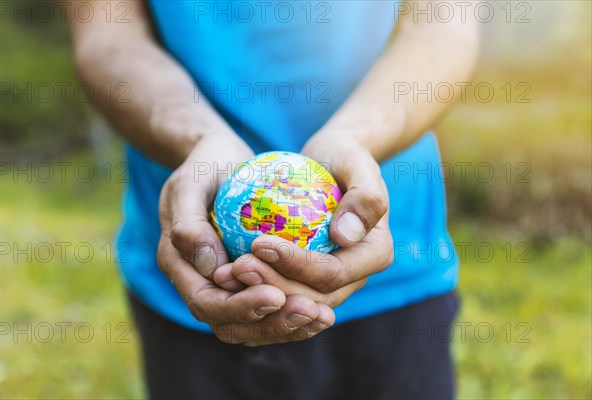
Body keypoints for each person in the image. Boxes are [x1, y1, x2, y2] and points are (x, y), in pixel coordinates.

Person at [68, 0, 479, 398]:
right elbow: (108, 31)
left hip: (395, 261)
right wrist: (197, 139)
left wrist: (355, 139)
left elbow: (443, 23)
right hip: (193, 263)